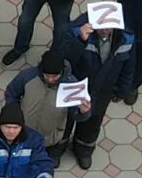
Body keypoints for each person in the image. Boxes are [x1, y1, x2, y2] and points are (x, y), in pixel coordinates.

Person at [58, 10, 136, 169]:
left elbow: (129, 67)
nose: (105, 30)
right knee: (65, 120)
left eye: (109, 27)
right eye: (101, 27)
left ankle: (83, 149)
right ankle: (57, 148)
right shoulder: (76, 30)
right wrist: (80, 40)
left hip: (102, 91)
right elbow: (64, 57)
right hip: (75, 87)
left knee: (93, 121)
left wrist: (122, 90)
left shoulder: (126, 38)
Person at [1, 51, 74, 156]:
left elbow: (76, 115)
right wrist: (14, 114)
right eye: (47, 75)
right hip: (24, 130)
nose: (50, 79)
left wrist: (84, 111)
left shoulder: (71, 86)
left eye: (54, 76)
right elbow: (11, 93)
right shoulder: (27, 76)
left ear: (62, 71)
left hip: (52, 135)